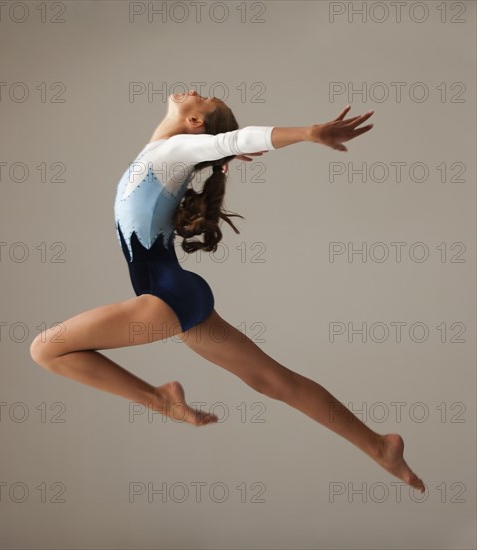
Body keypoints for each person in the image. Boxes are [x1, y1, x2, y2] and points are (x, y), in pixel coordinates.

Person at [30, 90, 425, 493]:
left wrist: (306, 133)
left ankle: (159, 399)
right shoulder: (164, 151)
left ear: (195, 122)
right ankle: (379, 447)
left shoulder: (172, 151)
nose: (196, 93)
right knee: (273, 381)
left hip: (165, 297)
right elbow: (218, 144)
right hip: (179, 294)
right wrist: (215, 152)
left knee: (46, 349)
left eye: (204, 99)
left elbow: (232, 140)